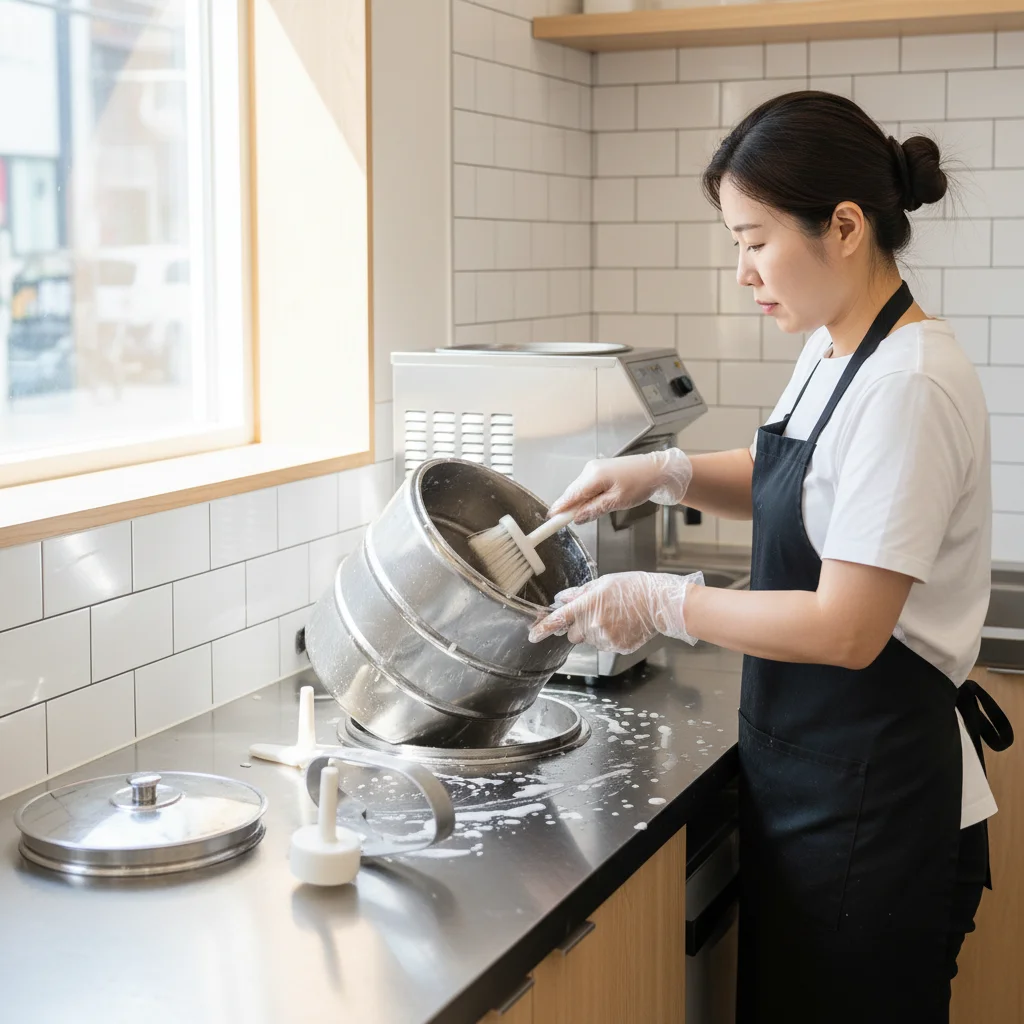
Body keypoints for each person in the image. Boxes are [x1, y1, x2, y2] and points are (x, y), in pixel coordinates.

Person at [529, 91, 1013, 1023]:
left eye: (754, 240)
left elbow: (847, 628)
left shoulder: (908, 381)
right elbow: (793, 478)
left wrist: (662, 602)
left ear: (843, 226)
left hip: (876, 810)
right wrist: (661, 475)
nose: (743, 272)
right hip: (818, 784)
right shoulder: (837, 349)